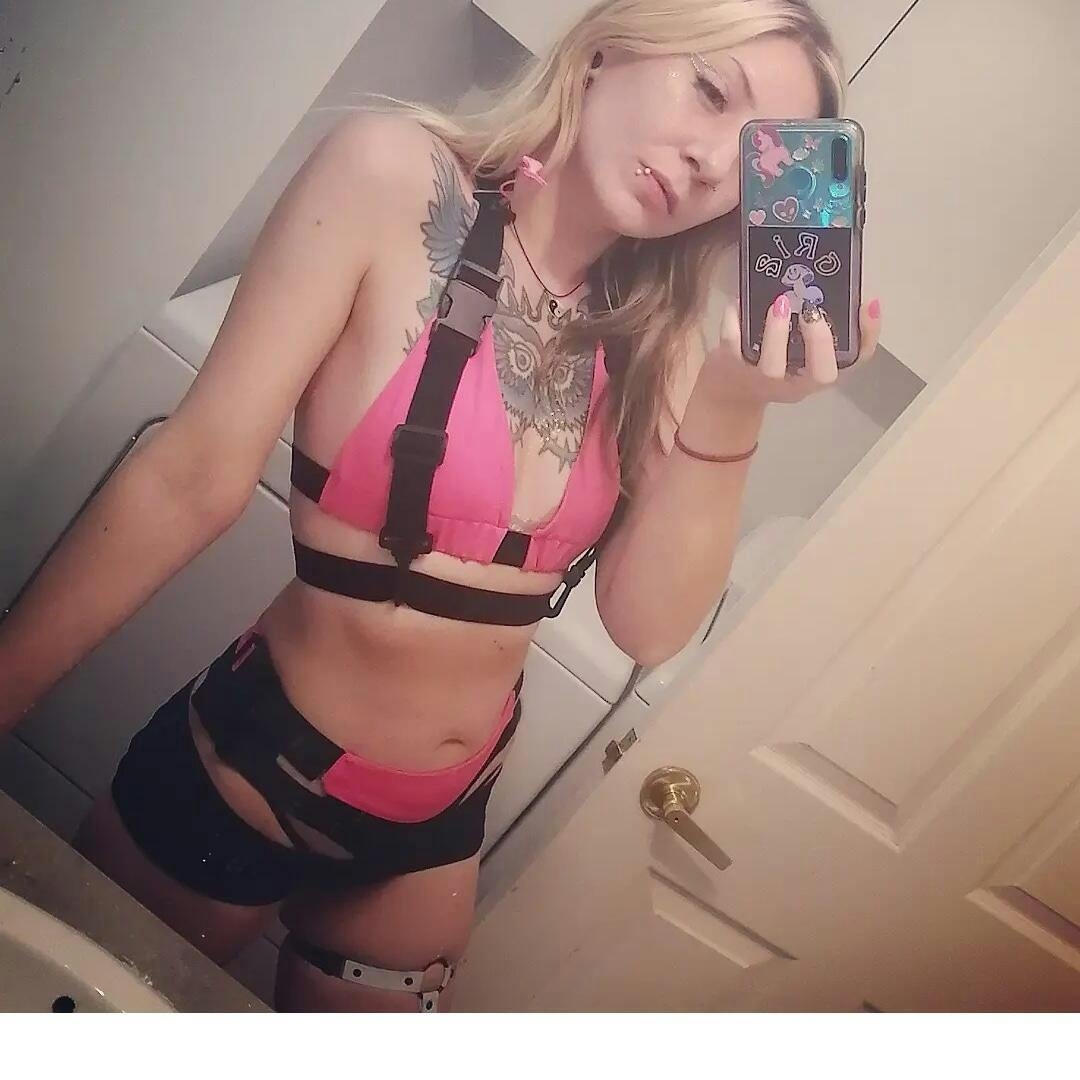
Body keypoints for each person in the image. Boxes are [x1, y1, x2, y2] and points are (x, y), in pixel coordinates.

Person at [0, 0, 881, 1012]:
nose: (709, 163)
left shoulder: (667, 338)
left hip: (438, 832)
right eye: (711, 91)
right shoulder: (393, 178)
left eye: (751, 162)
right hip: (255, 773)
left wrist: (734, 408)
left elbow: (648, 626)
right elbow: (191, 477)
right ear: (613, 48)